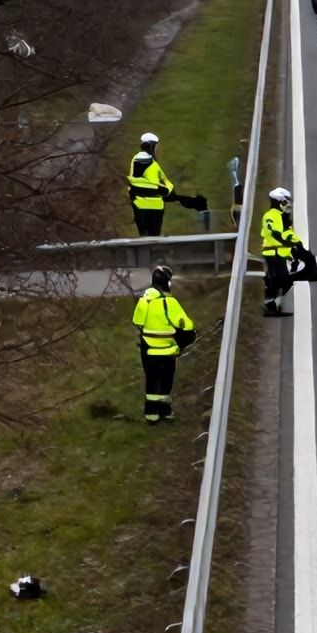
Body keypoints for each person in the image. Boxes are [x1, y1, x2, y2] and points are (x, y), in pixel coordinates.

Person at [132, 264, 194, 423]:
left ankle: (151, 414)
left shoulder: (144, 300)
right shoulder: (169, 301)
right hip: (167, 351)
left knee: (151, 380)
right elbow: (187, 326)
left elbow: (137, 322)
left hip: (149, 351)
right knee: (166, 381)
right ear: (167, 283)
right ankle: (165, 411)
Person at [261, 186, 301, 317]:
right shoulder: (270, 216)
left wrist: (297, 246)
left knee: (286, 279)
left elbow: (290, 233)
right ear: (280, 202)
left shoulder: (284, 217)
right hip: (271, 253)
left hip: (283, 253)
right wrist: (286, 242)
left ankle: (275, 303)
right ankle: (269, 305)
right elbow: (272, 233)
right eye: (286, 202)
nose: (288, 205)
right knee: (274, 279)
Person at [127, 132, 175, 236]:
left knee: (145, 237)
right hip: (152, 206)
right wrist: (166, 190)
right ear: (152, 146)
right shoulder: (149, 162)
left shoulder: (138, 160)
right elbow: (165, 184)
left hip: (141, 205)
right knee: (153, 237)